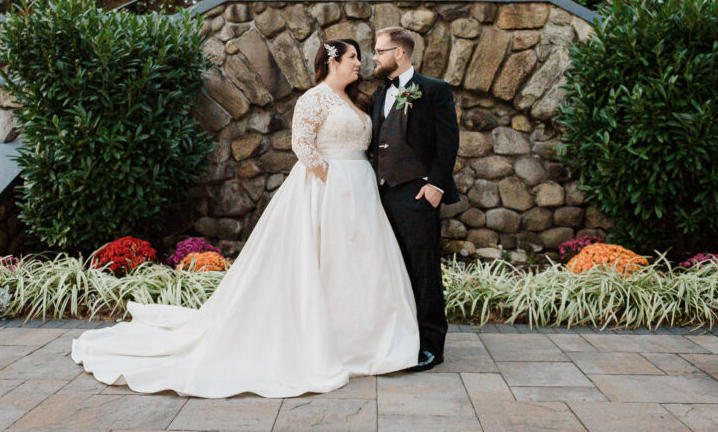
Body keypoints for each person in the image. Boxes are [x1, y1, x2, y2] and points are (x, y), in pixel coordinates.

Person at [70, 38, 419, 398]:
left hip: (361, 193)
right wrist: (335, 182)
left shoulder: (359, 100)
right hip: (326, 189)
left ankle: (366, 340)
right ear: (332, 63)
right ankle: (324, 341)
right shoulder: (314, 98)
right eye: (352, 58)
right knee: (324, 262)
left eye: (359, 58)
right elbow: (302, 144)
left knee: (363, 265)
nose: (359, 64)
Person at [369, 26, 459, 371]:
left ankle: (431, 347)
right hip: (381, 195)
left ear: (400, 53)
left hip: (417, 193)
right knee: (392, 271)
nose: (375, 57)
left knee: (424, 272)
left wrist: (436, 185)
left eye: (379, 51)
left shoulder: (434, 90)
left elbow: (448, 141)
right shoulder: (380, 94)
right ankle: (401, 339)